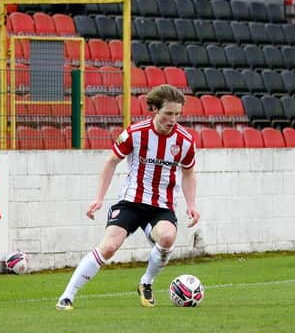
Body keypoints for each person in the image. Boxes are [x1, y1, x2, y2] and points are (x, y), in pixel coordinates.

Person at [56, 84, 200, 310]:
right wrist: (99, 198)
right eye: (168, 113)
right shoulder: (135, 133)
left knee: (167, 238)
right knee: (109, 247)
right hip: (131, 201)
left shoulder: (185, 141)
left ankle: (146, 282)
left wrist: (191, 205)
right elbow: (111, 161)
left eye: (177, 114)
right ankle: (67, 296)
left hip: (161, 206)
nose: (173, 119)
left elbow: (189, 172)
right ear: (154, 109)